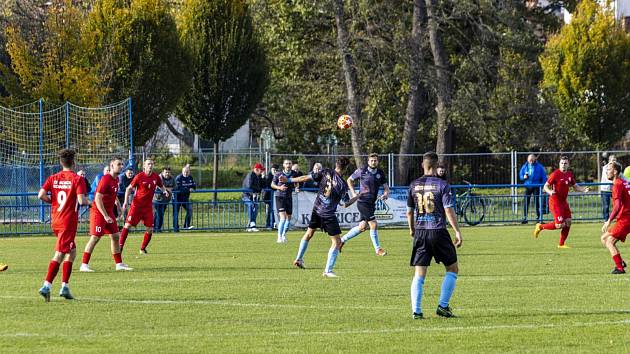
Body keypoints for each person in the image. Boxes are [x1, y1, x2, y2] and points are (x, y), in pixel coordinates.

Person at [407, 152, 462, 319]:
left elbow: (409, 212)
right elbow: (448, 209)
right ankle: (443, 306)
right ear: (436, 165)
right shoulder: (442, 185)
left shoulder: (413, 185)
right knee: (452, 268)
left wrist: (412, 230)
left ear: (422, 164)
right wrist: (457, 231)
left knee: (419, 273)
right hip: (438, 230)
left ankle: (416, 311)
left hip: (421, 231)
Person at [283, 157, 357, 277]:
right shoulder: (342, 185)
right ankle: (328, 271)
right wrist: (358, 196)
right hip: (327, 214)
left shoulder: (325, 171)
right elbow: (345, 204)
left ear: (336, 164)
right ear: (346, 168)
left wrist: (288, 179)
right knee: (337, 242)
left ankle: (298, 258)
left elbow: (305, 177)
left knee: (309, 234)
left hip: (316, 209)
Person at [37, 149, 89, 301]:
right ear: (74, 162)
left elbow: (40, 195)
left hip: (56, 220)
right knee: (60, 254)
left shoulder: (53, 178)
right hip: (68, 222)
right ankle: (46, 286)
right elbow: (81, 200)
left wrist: (52, 202)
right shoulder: (77, 179)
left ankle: (65, 287)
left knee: (71, 252)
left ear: (61, 162)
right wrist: (92, 203)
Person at [80, 157, 133, 272]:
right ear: (112, 166)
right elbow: (98, 198)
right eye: (118, 164)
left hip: (108, 212)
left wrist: (118, 206)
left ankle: (119, 264)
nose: (121, 166)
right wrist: (105, 215)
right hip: (98, 212)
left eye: (122, 164)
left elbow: (113, 195)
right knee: (95, 237)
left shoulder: (116, 180)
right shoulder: (105, 179)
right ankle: (84, 265)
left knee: (115, 236)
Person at [534, 156, 590, 248]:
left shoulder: (569, 174)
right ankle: (540, 227)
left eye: (565, 163)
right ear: (559, 164)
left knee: (568, 222)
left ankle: (561, 244)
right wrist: (550, 192)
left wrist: (583, 190)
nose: (563, 165)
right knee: (559, 225)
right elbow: (545, 186)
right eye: (562, 163)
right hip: (555, 202)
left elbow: (575, 186)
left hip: (563, 202)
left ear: (568, 164)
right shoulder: (555, 174)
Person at [340, 153, 389, 256]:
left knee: (362, 227)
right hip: (363, 202)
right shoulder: (362, 171)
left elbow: (385, 187)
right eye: (372, 160)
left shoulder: (380, 172)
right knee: (373, 224)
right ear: (368, 162)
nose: (373, 162)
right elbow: (349, 180)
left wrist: (385, 194)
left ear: (377, 161)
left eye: (375, 160)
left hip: (372, 203)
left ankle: (342, 240)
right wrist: (353, 193)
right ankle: (378, 249)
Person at [119, 159, 167, 254]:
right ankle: (120, 247)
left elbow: (161, 186)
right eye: (149, 164)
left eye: (152, 164)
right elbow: (128, 189)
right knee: (127, 225)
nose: (150, 165)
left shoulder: (156, 177)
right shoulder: (139, 176)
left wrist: (164, 191)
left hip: (148, 207)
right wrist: (125, 202)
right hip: (136, 206)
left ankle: (142, 248)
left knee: (150, 229)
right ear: (144, 166)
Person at [600, 161, 630, 274]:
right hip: (625, 218)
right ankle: (621, 262)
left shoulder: (617, 184)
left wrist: (608, 221)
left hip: (626, 219)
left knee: (609, 242)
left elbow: (617, 206)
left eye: (608, 169)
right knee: (604, 238)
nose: (606, 171)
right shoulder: (622, 182)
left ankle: (620, 268)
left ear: (615, 171)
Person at [271, 160, 299, 243]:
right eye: (286, 163)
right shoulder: (278, 174)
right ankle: (279, 237)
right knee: (282, 217)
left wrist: (297, 187)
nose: (288, 165)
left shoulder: (294, 174)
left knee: (288, 218)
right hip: (280, 197)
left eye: (290, 163)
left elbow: (296, 182)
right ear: (283, 165)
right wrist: (279, 188)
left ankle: (283, 235)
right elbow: (272, 184)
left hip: (289, 197)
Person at [519, 154, 547, 224]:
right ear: (527, 160)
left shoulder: (540, 167)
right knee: (526, 202)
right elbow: (521, 175)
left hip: (536, 186)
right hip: (527, 186)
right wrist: (524, 177)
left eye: (532, 159)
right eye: (530, 159)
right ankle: (525, 218)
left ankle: (539, 218)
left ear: (535, 159)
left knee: (537, 202)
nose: (531, 161)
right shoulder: (525, 166)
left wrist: (544, 186)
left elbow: (544, 177)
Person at [242, 163, 265, 232]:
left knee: (256, 209)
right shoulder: (251, 175)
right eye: (261, 170)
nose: (262, 171)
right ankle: (251, 224)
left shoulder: (259, 176)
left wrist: (263, 178)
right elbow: (249, 186)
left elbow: (264, 185)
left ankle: (252, 225)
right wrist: (259, 189)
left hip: (254, 196)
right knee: (251, 205)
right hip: (247, 195)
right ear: (256, 169)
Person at [154, 166, 175, 233]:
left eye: (168, 172)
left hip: (166, 200)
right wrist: (167, 189)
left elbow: (174, 186)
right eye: (166, 172)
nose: (167, 174)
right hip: (157, 199)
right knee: (159, 214)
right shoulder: (159, 177)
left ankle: (156, 228)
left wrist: (170, 189)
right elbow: (159, 186)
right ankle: (157, 228)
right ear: (163, 172)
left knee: (160, 214)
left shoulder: (172, 178)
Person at [175, 164, 196, 230]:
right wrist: (187, 189)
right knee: (176, 213)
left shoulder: (190, 177)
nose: (186, 173)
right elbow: (178, 188)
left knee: (190, 210)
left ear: (189, 172)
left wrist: (192, 188)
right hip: (177, 198)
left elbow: (194, 185)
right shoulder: (179, 178)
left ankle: (186, 226)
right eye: (185, 172)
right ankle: (175, 227)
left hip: (185, 199)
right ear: (182, 171)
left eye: (187, 172)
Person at [600, 154, 617, 221]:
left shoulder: (617, 167)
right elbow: (608, 178)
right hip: (605, 190)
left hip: (614, 189)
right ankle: (606, 220)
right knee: (606, 206)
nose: (613, 161)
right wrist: (614, 182)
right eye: (612, 160)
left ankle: (617, 218)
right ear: (609, 161)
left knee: (616, 205)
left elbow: (621, 176)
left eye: (615, 160)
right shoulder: (605, 168)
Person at [262, 164, 278, 229]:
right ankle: (269, 224)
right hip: (269, 197)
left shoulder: (277, 175)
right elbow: (269, 185)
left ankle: (273, 224)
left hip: (275, 196)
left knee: (275, 211)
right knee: (270, 211)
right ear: (271, 169)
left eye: (276, 170)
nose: (275, 171)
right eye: (274, 170)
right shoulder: (269, 176)